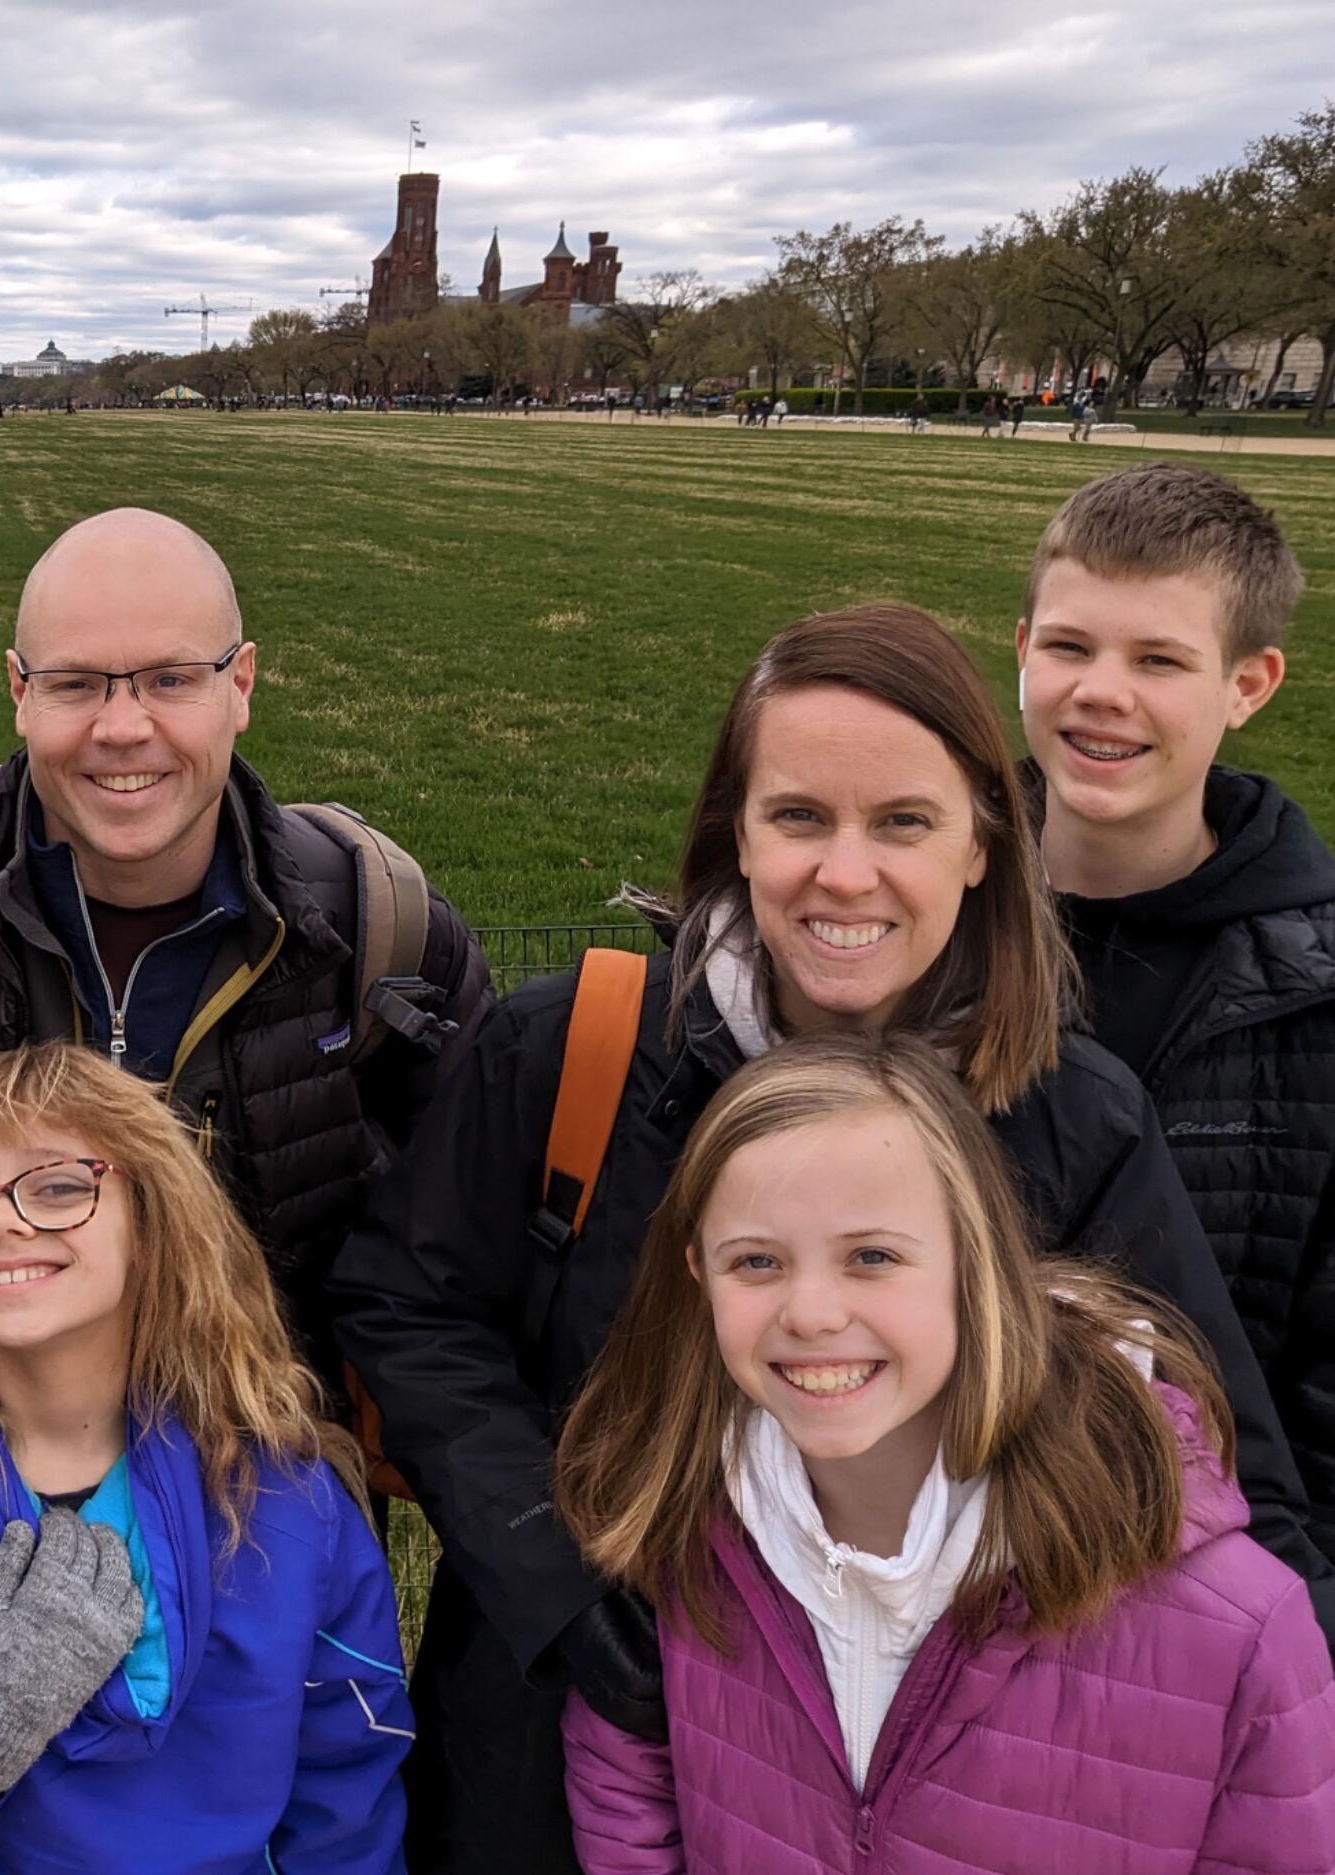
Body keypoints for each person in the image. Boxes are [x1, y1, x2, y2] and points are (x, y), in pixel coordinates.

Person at [330, 601, 1332, 1875]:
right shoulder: (568, 1054)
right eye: (797, 816)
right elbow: (407, 1307)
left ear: (982, 845)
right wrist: (560, 1577)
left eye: (902, 823)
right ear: (732, 839)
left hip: (925, 1794)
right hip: (556, 1758)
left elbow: (1210, 1472)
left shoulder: (1074, 1120)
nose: (842, 874)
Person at [554, 1032, 1335, 1872]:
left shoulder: (1239, 1628)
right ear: (699, 1275)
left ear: (978, 1263)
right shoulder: (670, 1537)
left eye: (872, 1256)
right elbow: (628, 1793)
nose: (811, 1312)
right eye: (757, 1261)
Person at [0, 507, 493, 1407]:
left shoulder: (380, 927)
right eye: (77, 683)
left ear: (241, 684)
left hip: (273, 1500)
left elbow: (459, 1258)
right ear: (18, 689)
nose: (124, 727)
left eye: (171, 679)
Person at [0, 1045, 410, 1873]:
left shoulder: (282, 1492)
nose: (2, 1220)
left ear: (151, 1213)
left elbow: (347, 1797)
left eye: (58, 1185)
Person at [1016, 462, 1335, 1564]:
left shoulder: (1311, 995)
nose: (1102, 692)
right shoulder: (912, 926)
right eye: (1070, 647)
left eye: (1158, 660)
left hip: (1196, 1583)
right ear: (1020, 651)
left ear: (1249, 685)